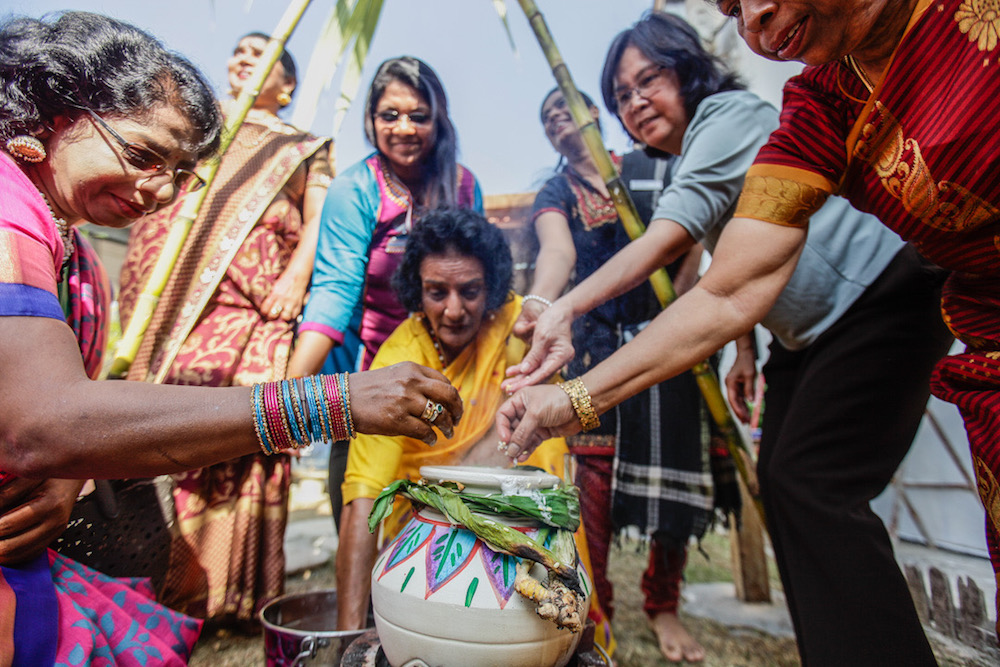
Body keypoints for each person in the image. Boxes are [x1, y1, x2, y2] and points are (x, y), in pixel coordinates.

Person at [0, 11, 461, 663]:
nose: (159, 190)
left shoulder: (60, 237)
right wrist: (331, 400)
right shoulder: (7, 212)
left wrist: (55, 468)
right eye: (141, 154)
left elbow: (36, 417)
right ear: (56, 113)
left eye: (180, 174)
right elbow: (41, 422)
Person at [497, 12, 954, 665]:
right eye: (622, 95)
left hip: (878, 297)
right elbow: (741, 263)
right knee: (783, 480)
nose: (634, 102)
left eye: (647, 80)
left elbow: (675, 240)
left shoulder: (729, 117)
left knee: (811, 483)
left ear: (688, 70)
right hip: (804, 334)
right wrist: (746, 348)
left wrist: (565, 307)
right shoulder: (656, 162)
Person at [116, 32, 331, 628]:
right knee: (167, 428)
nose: (241, 59)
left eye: (259, 54)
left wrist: (295, 275)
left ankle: (232, 596)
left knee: (245, 430)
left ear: (286, 86)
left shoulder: (303, 147)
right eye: (235, 52)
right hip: (177, 311)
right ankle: (165, 584)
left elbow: (319, 220)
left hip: (254, 306)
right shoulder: (199, 136)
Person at [334, 207, 612, 652]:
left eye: (470, 291)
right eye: (436, 292)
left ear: (493, 288)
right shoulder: (398, 359)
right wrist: (347, 639)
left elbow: (532, 429)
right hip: (431, 525)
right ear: (415, 291)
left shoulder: (519, 327)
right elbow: (364, 493)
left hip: (523, 517)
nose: (455, 310)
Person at [519, 86, 715, 663]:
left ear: (593, 115)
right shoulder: (556, 190)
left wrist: (683, 303)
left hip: (672, 338)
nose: (558, 121)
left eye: (566, 109)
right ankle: (594, 605)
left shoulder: (651, 165)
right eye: (547, 115)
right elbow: (556, 251)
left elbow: (699, 228)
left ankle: (664, 604)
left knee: (677, 465)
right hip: (595, 347)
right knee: (591, 486)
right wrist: (542, 300)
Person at [286, 56, 482, 526]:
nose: (404, 128)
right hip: (367, 374)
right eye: (389, 115)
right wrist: (291, 396)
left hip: (448, 377)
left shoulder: (462, 185)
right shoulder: (354, 188)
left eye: (419, 115)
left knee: (445, 522)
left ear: (439, 119)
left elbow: (476, 281)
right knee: (362, 511)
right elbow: (335, 290)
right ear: (371, 121)